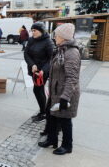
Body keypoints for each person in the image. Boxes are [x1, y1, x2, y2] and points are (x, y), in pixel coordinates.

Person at [38, 23, 81, 155]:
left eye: (56, 35)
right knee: (52, 116)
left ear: (63, 37)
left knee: (65, 119)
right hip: (56, 91)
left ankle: (67, 146)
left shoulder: (71, 53)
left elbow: (72, 78)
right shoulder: (61, 50)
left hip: (65, 93)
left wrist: (65, 97)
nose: (54, 37)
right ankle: (52, 139)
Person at [24, 22, 54, 122]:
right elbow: (26, 54)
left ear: (41, 31)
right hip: (34, 70)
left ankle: (43, 112)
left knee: (38, 90)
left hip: (42, 72)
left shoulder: (48, 42)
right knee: (38, 90)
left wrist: (43, 70)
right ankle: (43, 111)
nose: (33, 33)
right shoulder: (31, 40)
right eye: (32, 31)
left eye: (35, 30)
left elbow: (52, 59)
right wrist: (32, 64)